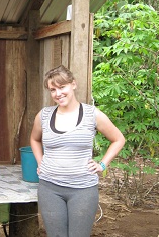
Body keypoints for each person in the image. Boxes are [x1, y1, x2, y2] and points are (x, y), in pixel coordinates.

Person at [30, 65, 126, 237]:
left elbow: (118, 139)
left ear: (73, 84)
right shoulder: (44, 115)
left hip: (82, 189)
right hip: (49, 188)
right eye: (53, 90)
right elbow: (34, 139)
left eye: (62, 87)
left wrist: (103, 164)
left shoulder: (91, 114)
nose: (58, 93)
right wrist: (40, 161)